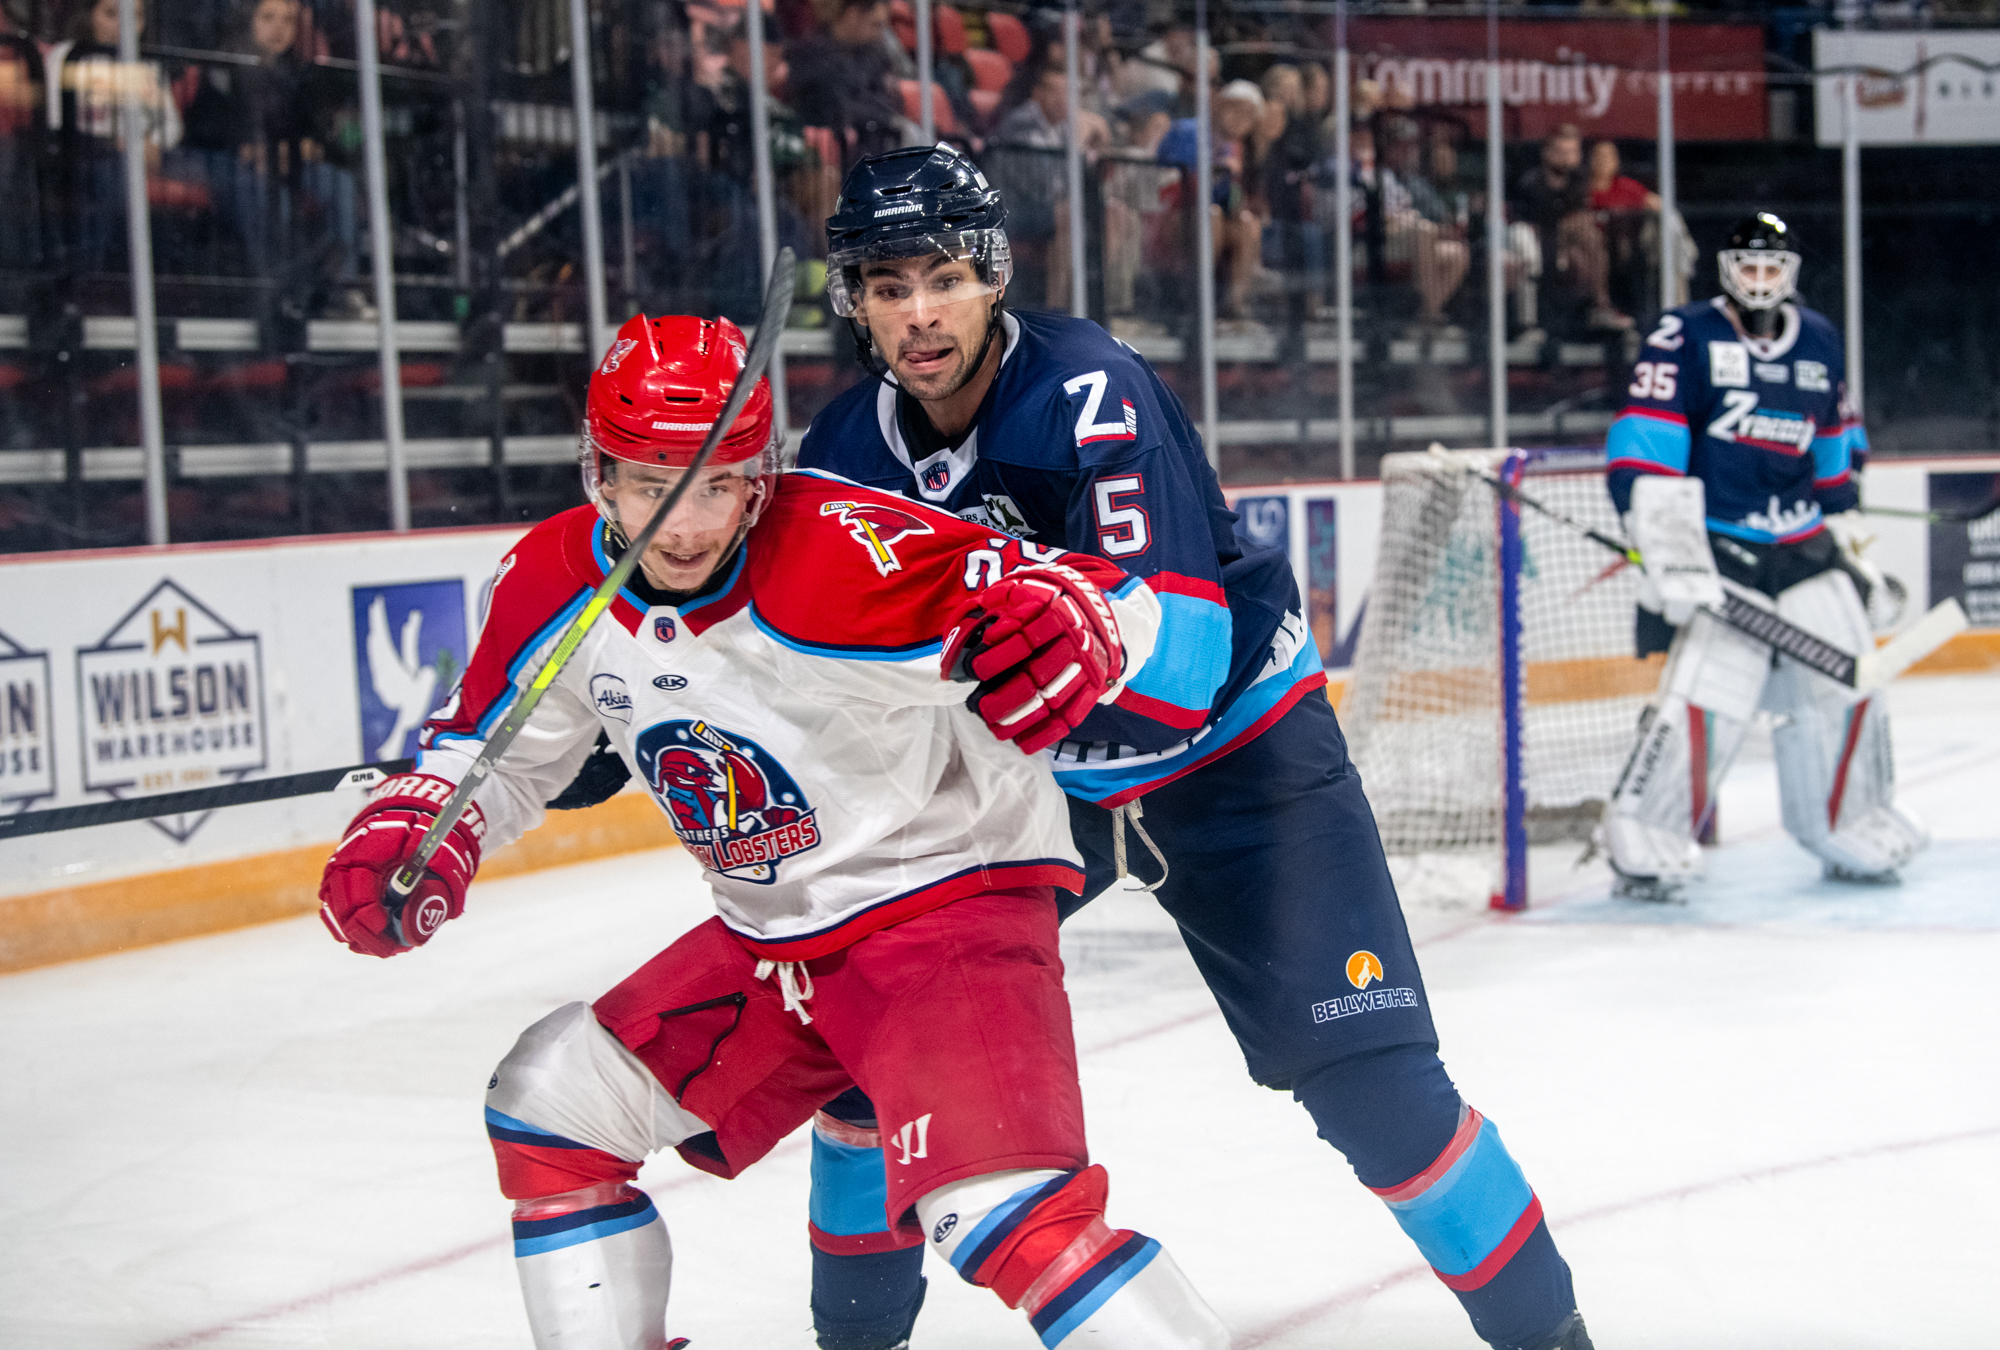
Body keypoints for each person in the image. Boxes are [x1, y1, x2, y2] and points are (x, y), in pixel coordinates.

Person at [793, 142, 1595, 1350]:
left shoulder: (1087, 389)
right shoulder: (844, 451)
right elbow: (803, 675)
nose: (918, 314)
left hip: (1235, 764)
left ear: (993, 275)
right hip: (1034, 792)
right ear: (853, 300)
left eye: (943, 278)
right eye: (887, 285)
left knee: (1376, 1094)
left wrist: (1001, 674)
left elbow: (1171, 676)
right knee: (870, 1069)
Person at [317, 310, 1239, 1350]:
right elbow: (492, 753)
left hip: (943, 921)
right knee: (549, 1107)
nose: (681, 523)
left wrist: (1086, 621)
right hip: (777, 949)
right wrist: (421, 830)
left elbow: (1105, 604)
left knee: (1002, 1215)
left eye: (712, 483)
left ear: (757, 477)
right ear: (596, 472)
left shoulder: (845, 550)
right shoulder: (549, 582)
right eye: (647, 481)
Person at [1600, 211, 1927, 899]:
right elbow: (1648, 444)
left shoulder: (1819, 340)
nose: (1758, 279)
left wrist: (1843, 525)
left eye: (1771, 267)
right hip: (1723, 549)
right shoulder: (1683, 334)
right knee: (1708, 695)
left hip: (1801, 544)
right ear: (1725, 271)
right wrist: (1666, 550)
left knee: (1850, 680)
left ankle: (1851, 819)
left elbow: (1833, 444)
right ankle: (1645, 838)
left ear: (1790, 274)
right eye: (1746, 266)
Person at [1511, 123, 1628, 334]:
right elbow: (1527, 222)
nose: (1566, 158)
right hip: (1538, 242)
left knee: (1580, 256)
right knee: (1584, 231)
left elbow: (1582, 214)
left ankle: (1592, 313)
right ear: (1547, 153)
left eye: (1572, 152)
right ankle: (1600, 306)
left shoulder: (1579, 181)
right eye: (1561, 152)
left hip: (1573, 244)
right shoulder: (1530, 183)